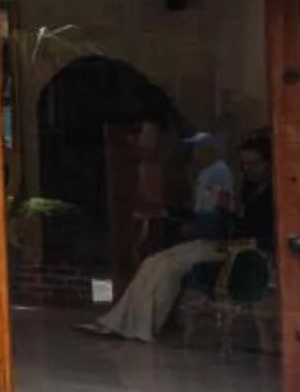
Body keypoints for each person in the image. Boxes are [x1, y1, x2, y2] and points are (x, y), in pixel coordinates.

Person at [84, 130, 257, 342]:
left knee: (169, 267)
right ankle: (121, 321)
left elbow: (239, 223)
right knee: (152, 262)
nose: (249, 169)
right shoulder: (224, 180)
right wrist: (170, 212)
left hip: (226, 246)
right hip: (209, 242)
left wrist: (232, 220)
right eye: (245, 164)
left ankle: (145, 326)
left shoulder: (222, 175)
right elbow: (204, 211)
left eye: (254, 164)